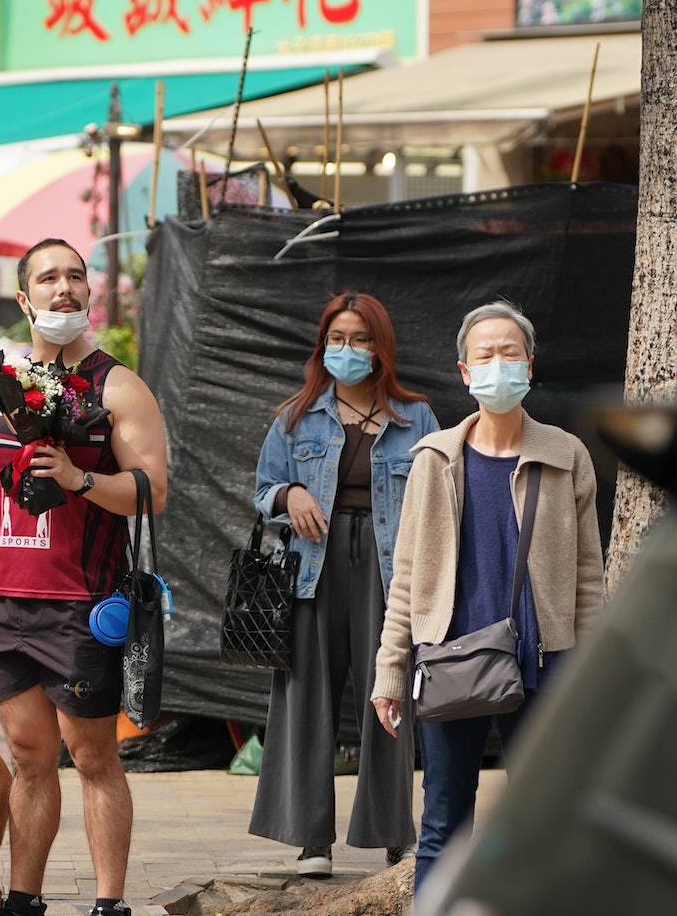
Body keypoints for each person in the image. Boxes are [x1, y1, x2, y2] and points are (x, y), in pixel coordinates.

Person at [0, 237, 168, 916]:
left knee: (93, 758)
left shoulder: (116, 387)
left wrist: (78, 476)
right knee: (30, 760)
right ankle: (25, 910)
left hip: (85, 602)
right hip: (8, 605)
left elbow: (155, 489)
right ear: (25, 300)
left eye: (76, 276)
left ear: (88, 294)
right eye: (48, 279)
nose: (65, 289)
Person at [371, 301, 604, 885]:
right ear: (464, 370)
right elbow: (407, 574)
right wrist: (390, 671)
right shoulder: (434, 458)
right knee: (445, 824)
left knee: (544, 821)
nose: (499, 364)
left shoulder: (566, 454)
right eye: (485, 355)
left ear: (530, 364)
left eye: (510, 353)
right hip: (451, 659)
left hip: (546, 665)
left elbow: (587, 576)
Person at [251, 294, 437, 878]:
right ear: (322, 345)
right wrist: (291, 494)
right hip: (313, 568)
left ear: (380, 348)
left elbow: (440, 497)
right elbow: (263, 491)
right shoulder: (295, 417)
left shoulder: (418, 418)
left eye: (359, 339)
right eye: (336, 338)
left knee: (390, 695)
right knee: (307, 695)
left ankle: (391, 833)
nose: (346, 350)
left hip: (390, 568)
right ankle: (312, 841)